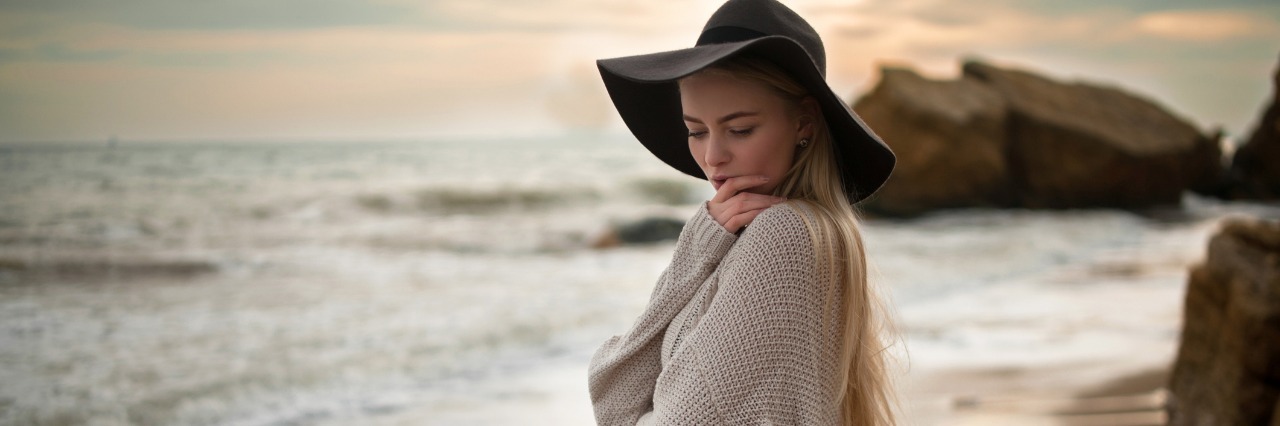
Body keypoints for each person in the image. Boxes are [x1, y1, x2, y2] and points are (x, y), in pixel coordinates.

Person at [587, 0, 899, 424]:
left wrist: (696, 251)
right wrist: (697, 250)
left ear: (804, 122)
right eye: (696, 131)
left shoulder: (783, 234)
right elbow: (614, 402)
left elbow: (626, 407)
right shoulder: (800, 232)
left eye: (740, 130)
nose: (712, 156)